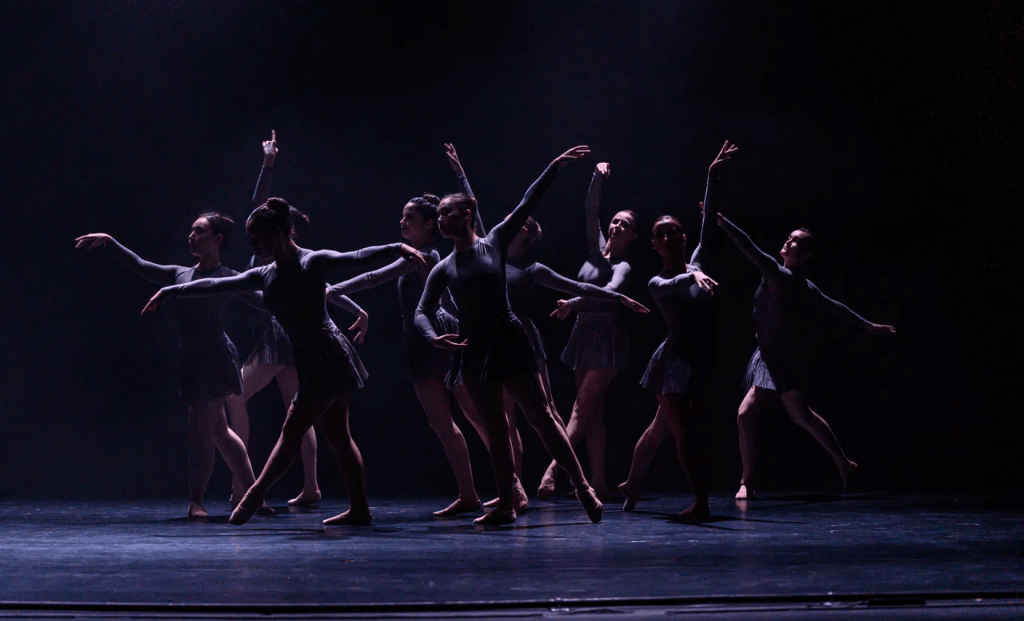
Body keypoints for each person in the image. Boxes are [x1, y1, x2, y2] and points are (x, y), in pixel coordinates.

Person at [142, 198, 426, 526]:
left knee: (293, 431)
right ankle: (359, 509)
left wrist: (397, 247)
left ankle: (253, 497)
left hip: (328, 355)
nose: (253, 244)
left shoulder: (311, 262)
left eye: (257, 236)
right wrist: (171, 291)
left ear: (277, 233)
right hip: (309, 359)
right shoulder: (265, 274)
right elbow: (217, 283)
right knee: (338, 437)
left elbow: (358, 257)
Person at [447, 147, 648, 511]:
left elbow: (583, 287)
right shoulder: (492, 252)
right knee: (509, 418)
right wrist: (460, 173)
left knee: (551, 412)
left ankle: (570, 479)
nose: (508, 223)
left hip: (525, 338)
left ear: (524, 235)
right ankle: (518, 489)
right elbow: (476, 212)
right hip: (499, 340)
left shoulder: (530, 268)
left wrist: (608, 299)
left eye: (517, 224)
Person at [415, 146, 604, 525]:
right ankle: (505, 503)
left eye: (447, 212)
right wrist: (433, 336)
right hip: (473, 350)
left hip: (509, 340)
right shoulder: (444, 267)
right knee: (496, 429)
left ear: (467, 214)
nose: (441, 218)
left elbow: (527, 201)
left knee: (542, 417)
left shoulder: (495, 242)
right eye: (438, 215)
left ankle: (583, 487)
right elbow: (422, 310)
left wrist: (553, 166)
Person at [76, 214, 267, 519]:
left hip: (214, 359)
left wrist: (304, 300)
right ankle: (254, 495)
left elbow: (262, 302)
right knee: (220, 431)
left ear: (217, 240)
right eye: (191, 230)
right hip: (193, 359)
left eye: (199, 231)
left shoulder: (228, 276)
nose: (191, 235)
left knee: (202, 434)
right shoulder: (180, 273)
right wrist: (110, 242)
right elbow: (140, 265)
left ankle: (197, 502)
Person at [324, 184, 487, 518]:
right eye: (402, 217)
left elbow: (375, 276)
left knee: (476, 416)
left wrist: (332, 290)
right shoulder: (420, 254)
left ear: (428, 225)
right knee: (442, 423)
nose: (402, 222)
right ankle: (469, 495)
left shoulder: (425, 256)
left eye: (409, 218)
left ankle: (512, 488)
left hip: (439, 337)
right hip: (419, 341)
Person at [225, 131, 367, 507]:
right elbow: (326, 291)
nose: (255, 237)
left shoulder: (284, 258)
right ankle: (311, 486)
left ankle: (244, 484)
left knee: (236, 394)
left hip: (280, 336)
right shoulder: (277, 258)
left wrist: (268, 163)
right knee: (299, 410)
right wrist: (359, 310)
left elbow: (327, 286)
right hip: (295, 340)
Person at [717, 204, 896, 500]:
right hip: (767, 356)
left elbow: (747, 246)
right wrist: (866, 325)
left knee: (787, 415)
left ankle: (752, 480)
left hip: (782, 359)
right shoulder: (794, 280)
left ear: (806, 255)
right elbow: (836, 307)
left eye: (796, 241)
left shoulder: (784, 277)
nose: (788, 241)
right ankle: (838, 464)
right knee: (775, 415)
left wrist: (723, 222)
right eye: (789, 237)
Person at [618, 141, 737, 521]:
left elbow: (709, 221)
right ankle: (701, 501)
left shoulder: (697, 263)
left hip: (701, 358)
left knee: (660, 430)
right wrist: (692, 275)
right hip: (674, 362)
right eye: (661, 235)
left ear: (684, 238)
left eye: (674, 233)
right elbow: (673, 285)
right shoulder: (656, 282)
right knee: (684, 432)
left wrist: (711, 176)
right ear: (653, 244)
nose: (668, 238)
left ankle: (631, 483)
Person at [540, 162, 638, 499]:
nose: (617, 226)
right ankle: (598, 481)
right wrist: (597, 176)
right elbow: (590, 210)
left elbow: (610, 293)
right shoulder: (596, 251)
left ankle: (553, 470)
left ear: (632, 236)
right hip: (583, 334)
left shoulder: (623, 266)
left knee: (581, 408)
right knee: (592, 413)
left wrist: (572, 303)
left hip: (606, 337)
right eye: (616, 221)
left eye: (625, 225)